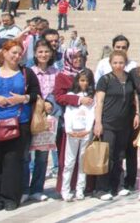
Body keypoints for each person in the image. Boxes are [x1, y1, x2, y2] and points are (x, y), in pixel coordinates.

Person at [0, 40, 41, 211]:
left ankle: (10, 197)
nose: (16, 56)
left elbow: (36, 93)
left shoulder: (26, 73)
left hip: (18, 122)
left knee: (13, 161)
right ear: (4, 52)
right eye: (13, 52)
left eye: (19, 53)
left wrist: (22, 98)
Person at [94, 49, 140, 200]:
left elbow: (135, 96)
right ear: (110, 63)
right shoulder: (105, 80)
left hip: (124, 123)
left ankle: (117, 185)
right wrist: (98, 123)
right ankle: (102, 188)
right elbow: (99, 102)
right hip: (108, 123)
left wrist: (137, 114)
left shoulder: (129, 78)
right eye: (115, 63)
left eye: (121, 62)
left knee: (120, 155)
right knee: (108, 155)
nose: (118, 66)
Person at [27, 39, 59, 202]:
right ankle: (24, 188)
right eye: (40, 51)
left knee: (42, 154)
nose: (43, 54)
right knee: (26, 155)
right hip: (31, 116)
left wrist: (50, 103)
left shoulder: (56, 72)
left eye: (46, 51)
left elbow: (57, 92)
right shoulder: (29, 71)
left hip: (48, 118)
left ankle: (37, 189)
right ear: (35, 53)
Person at [60, 69, 96, 201]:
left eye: (87, 81)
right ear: (77, 81)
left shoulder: (93, 96)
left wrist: (88, 129)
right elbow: (68, 113)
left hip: (86, 133)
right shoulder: (71, 95)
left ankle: (80, 189)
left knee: (82, 161)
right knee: (69, 162)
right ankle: (66, 189)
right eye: (81, 80)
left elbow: (92, 113)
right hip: (73, 132)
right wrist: (69, 129)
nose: (84, 83)